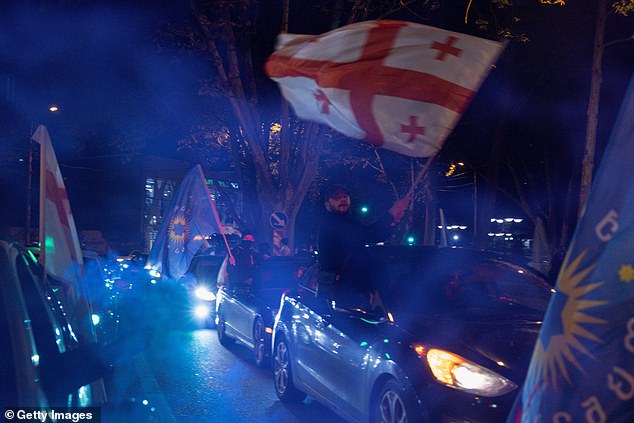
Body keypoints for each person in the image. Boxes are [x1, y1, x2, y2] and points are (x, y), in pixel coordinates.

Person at [317, 184, 408, 289]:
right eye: (336, 197)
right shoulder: (331, 223)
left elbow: (375, 236)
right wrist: (392, 213)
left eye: (345, 196)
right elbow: (368, 234)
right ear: (327, 204)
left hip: (348, 287)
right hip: (340, 290)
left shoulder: (349, 222)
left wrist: (392, 221)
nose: (342, 199)